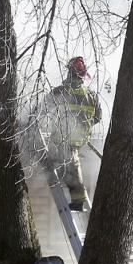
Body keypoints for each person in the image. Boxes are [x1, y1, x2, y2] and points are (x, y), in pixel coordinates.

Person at [44, 56, 103, 211]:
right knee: (68, 164)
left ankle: (78, 200)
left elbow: (43, 109)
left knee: (71, 166)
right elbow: (98, 117)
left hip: (64, 136)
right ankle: (76, 197)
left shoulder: (60, 92)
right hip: (81, 137)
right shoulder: (91, 95)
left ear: (70, 72)